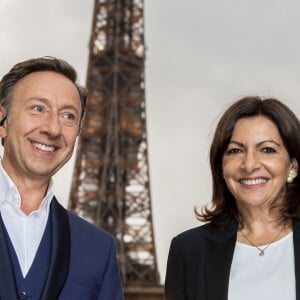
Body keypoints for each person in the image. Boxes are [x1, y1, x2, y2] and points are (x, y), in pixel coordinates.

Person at [0, 57, 124, 299]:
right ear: (2, 121)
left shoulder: (99, 248)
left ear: (78, 132)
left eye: (68, 116)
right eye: (38, 108)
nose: (53, 129)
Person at [165, 96, 300, 300]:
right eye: (235, 150)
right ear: (221, 167)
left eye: (267, 150)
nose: (249, 164)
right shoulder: (189, 251)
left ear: (293, 166)